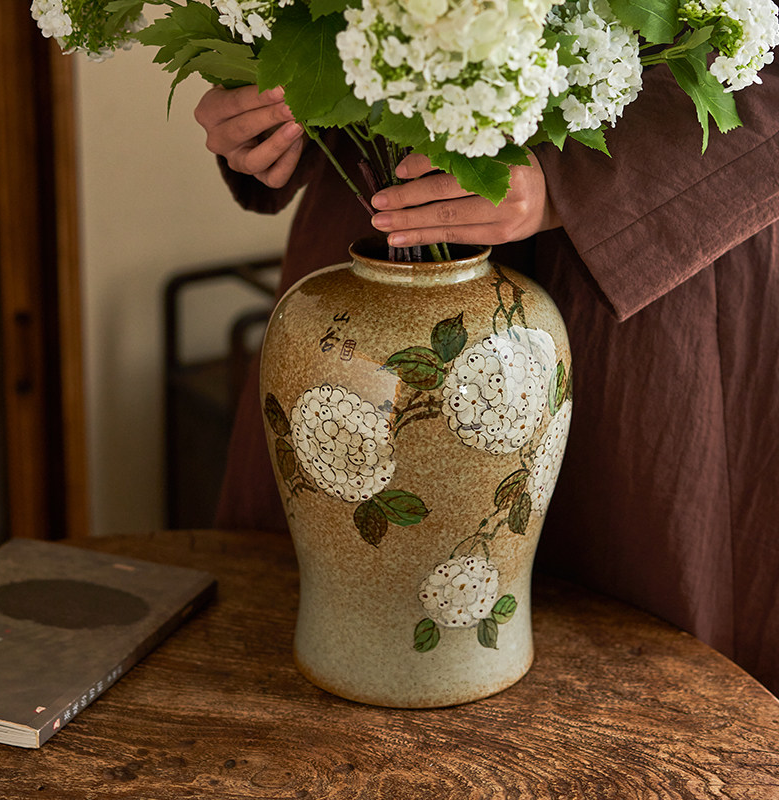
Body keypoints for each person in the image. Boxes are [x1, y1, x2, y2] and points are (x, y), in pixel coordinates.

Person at [194, 58, 779, 695]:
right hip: (382, 227)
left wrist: (577, 177)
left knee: (625, 699)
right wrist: (262, 100)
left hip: (655, 269)